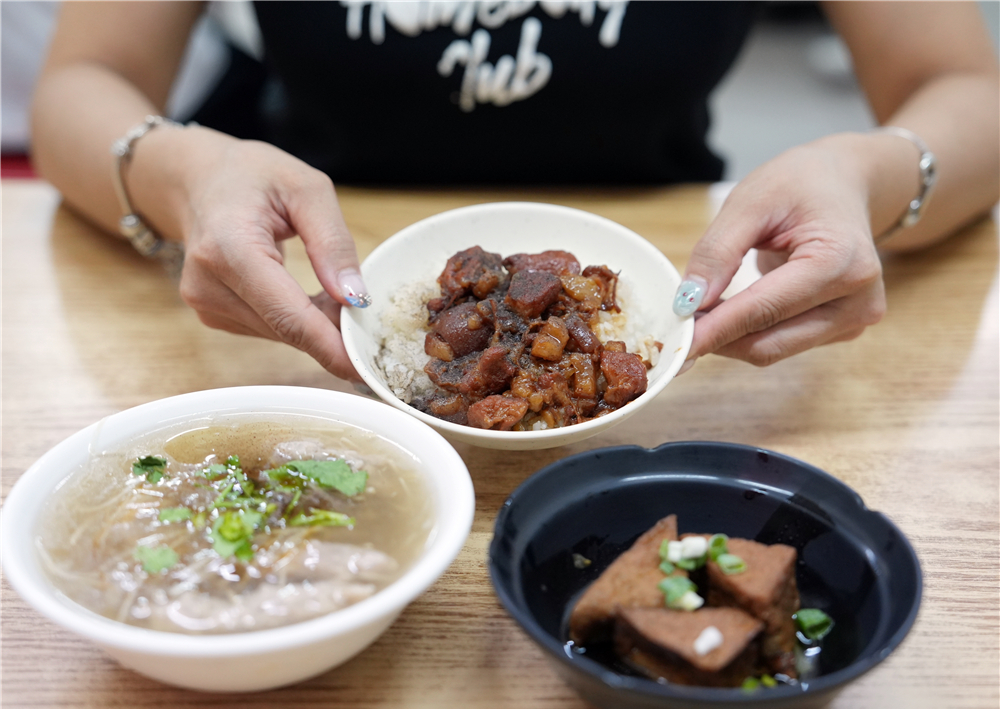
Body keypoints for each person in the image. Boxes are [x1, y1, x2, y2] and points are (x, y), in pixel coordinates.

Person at [30, 1, 999, 382]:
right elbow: (79, 87)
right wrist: (185, 175)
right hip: (296, 306)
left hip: (687, 324)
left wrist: (866, 176)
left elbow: (966, 94)